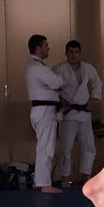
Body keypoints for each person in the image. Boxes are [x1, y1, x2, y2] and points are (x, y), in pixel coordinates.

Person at [52, 40, 103, 186]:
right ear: (66, 53)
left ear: (79, 53)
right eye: (71, 52)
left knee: (89, 146)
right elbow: (51, 89)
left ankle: (86, 177)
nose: (74, 55)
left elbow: (97, 84)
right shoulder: (59, 69)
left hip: (85, 112)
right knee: (66, 147)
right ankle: (65, 178)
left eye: (76, 52)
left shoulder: (88, 68)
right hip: (68, 113)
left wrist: (92, 101)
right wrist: (61, 101)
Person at [25, 34, 66, 194]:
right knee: (46, 147)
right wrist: (59, 81)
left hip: (44, 110)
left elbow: (55, 84)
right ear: (38, 48)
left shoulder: (37, 66)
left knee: (45, 146)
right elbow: (57, 82)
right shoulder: (37, 67)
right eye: (46, 45)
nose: (48, 48)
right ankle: (44, 183)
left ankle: (39, 181)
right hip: (44, 111)